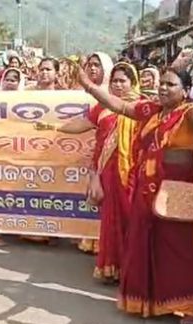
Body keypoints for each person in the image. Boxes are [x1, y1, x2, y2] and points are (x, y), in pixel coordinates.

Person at [81, 60, 193, 324]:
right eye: (162, 84)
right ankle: (150, 303)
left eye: (171, 84)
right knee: (147, 244)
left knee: (179, 250)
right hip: (147, 187)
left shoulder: (189, 113)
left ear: (186, 89)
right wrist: (89, 87)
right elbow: (120, 106)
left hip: (178, 189)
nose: (164, 89)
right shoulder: (152, 111)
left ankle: (188, 312)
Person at [36, 63, 141, 283]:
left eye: (123, 81)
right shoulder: (101, 108)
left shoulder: (141, 108)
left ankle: (132, 269)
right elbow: (82, 124)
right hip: (107, 171)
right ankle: (111, 267)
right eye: (115, 81)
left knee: (132, 220)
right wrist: (52, 127)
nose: (119, 85)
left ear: (133, 82)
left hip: (133, 172)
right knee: (111, 220)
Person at [76, 52, 114, 254]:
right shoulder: (80, 96)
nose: (92, 69)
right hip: (100, 161)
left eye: (97, 65)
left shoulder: (119, 100)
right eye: (89, 65)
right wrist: (50, 126)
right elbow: (83, 124)